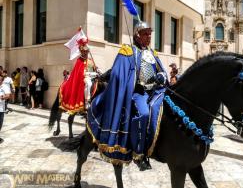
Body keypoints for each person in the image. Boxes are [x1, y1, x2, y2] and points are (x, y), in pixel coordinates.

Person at [88, 21, 167, 170]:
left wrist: (162, 76)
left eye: (150, 34)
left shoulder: (153, 53)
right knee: (143, 114)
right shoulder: (128, 51)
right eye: (145, 34)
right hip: (139, 92)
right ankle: (139, 154)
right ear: (137, 35)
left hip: (155, 91)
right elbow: (118, 72)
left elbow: (161, 70)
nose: (149, 37)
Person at [59, 40, 97, 113]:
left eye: (87, 51)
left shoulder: (90, 60)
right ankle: (87, 102)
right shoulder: (79, 60)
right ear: (82, 52)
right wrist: (90, 74)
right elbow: (80, 73)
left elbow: (94, 68)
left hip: (93, 76)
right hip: (86, 77)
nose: (86, 53)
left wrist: (97, 70)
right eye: (85, 52)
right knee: (88, 83)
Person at [0, 75, 11, 144]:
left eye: (0, 80)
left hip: (1, 109)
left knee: (0, 123)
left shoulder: (5, 87)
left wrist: (3, 97)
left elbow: (8, 95)